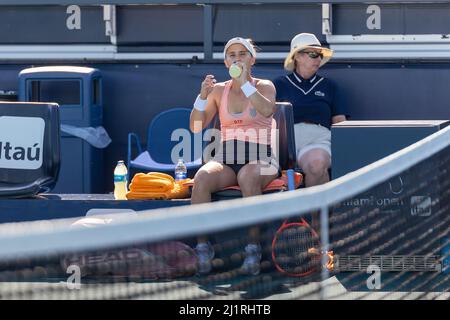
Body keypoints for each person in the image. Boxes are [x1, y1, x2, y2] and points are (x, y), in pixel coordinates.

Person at [189, 37, 279, 275]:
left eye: (242, 54)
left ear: (252, 59)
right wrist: (202, 97)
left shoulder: (265, 86)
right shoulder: (219, 90)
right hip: (227, 157)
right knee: (201, 178)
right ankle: (202, 248)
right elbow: (196, 127)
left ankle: (253, 249)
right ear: (226, 61)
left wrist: (244, 84)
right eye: (232, 55)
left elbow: (268, 109)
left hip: (262, 158)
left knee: (248, 177)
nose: (237, 58)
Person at [273, 33, 348, 188]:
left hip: (317, 140)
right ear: (297, 57)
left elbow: (340, 123)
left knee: (317, 166)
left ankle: (319, 213)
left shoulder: (329, 86)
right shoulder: (279, 84)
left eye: (320, 55)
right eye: (313, 54)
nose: (319, 59)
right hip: (284, 143)